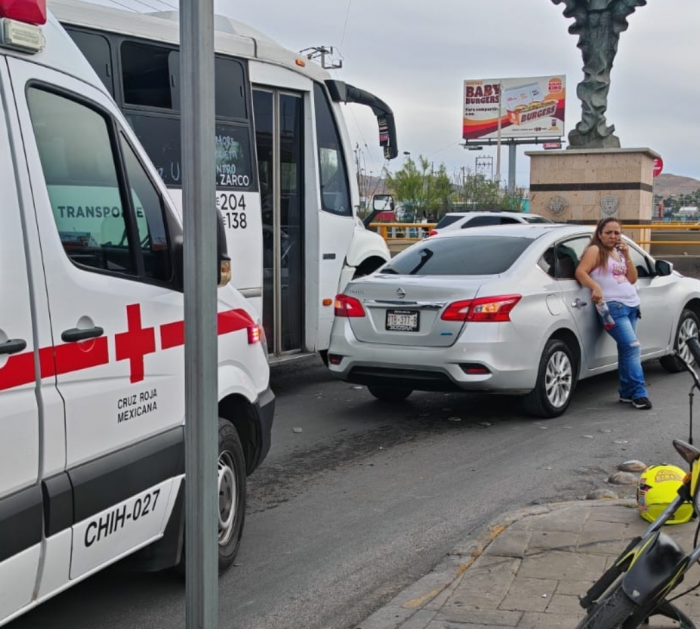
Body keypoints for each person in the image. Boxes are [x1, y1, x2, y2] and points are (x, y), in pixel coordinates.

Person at [575, 217, 651, 409]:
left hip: (632, 306)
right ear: (600, 234)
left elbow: (632, 279)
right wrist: (596, 287)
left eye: (617, 232)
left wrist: (627, 254)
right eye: (608, 232)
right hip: (613, 307)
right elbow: (581, 272)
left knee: (626, 349)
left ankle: (626, 393)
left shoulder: (618, 252)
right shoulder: (595, 250)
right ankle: (639, 393)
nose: (613, 236)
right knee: (632, 347)